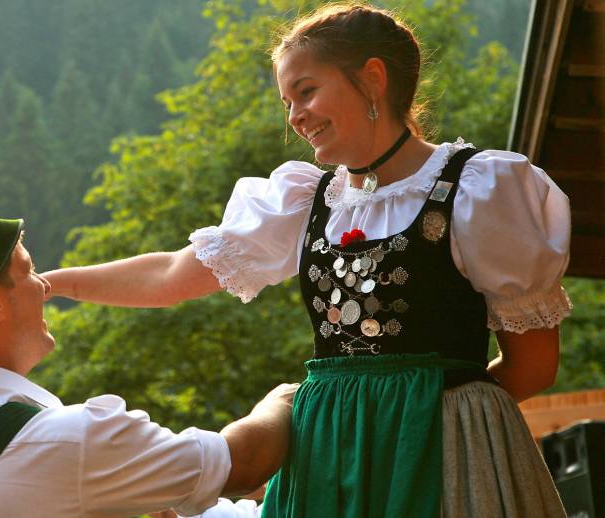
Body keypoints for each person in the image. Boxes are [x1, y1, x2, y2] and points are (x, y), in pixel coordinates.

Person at [41, 3, 572, 517]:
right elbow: (173, 274)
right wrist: (50, 284)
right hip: (328, 454)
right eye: (287, 102)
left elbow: (533, 365)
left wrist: (435, 422)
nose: (295, 117)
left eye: (306, 91)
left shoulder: (481, 189)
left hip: (444, 453)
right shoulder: (304, 201)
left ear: (372, 78)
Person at [0, 204, 295, 518]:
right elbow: (246, 462)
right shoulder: (72, 440)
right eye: (28, 271)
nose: (43, 285)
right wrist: (288, 398)